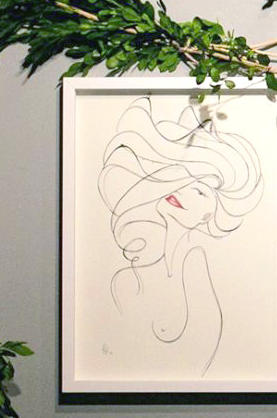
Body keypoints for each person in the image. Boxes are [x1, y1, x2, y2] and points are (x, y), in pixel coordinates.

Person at [98, 96, 264, 377]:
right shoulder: (129, 276)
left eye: (199, 191)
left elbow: (199, 355)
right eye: (184, 180)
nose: (181, 190)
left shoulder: (195, 263)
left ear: (209, 216)